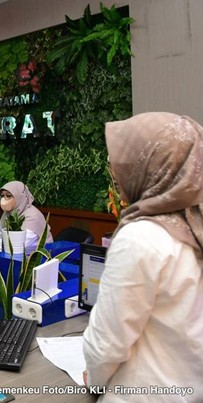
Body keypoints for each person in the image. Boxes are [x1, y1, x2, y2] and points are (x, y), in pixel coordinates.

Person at [83, 112, 203, 401]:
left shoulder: (140, 238)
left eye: (125, 165)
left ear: (149, 168)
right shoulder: (195, 224)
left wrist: (94, 380)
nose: (117, 175)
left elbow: (106, 345)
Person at [0, 181, 52, 250]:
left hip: (37, 257)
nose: (4, 199)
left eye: (8, 196)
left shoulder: (33, 216)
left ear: (19, 197)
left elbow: (19, 244)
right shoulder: (9, 213)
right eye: (2, 196)